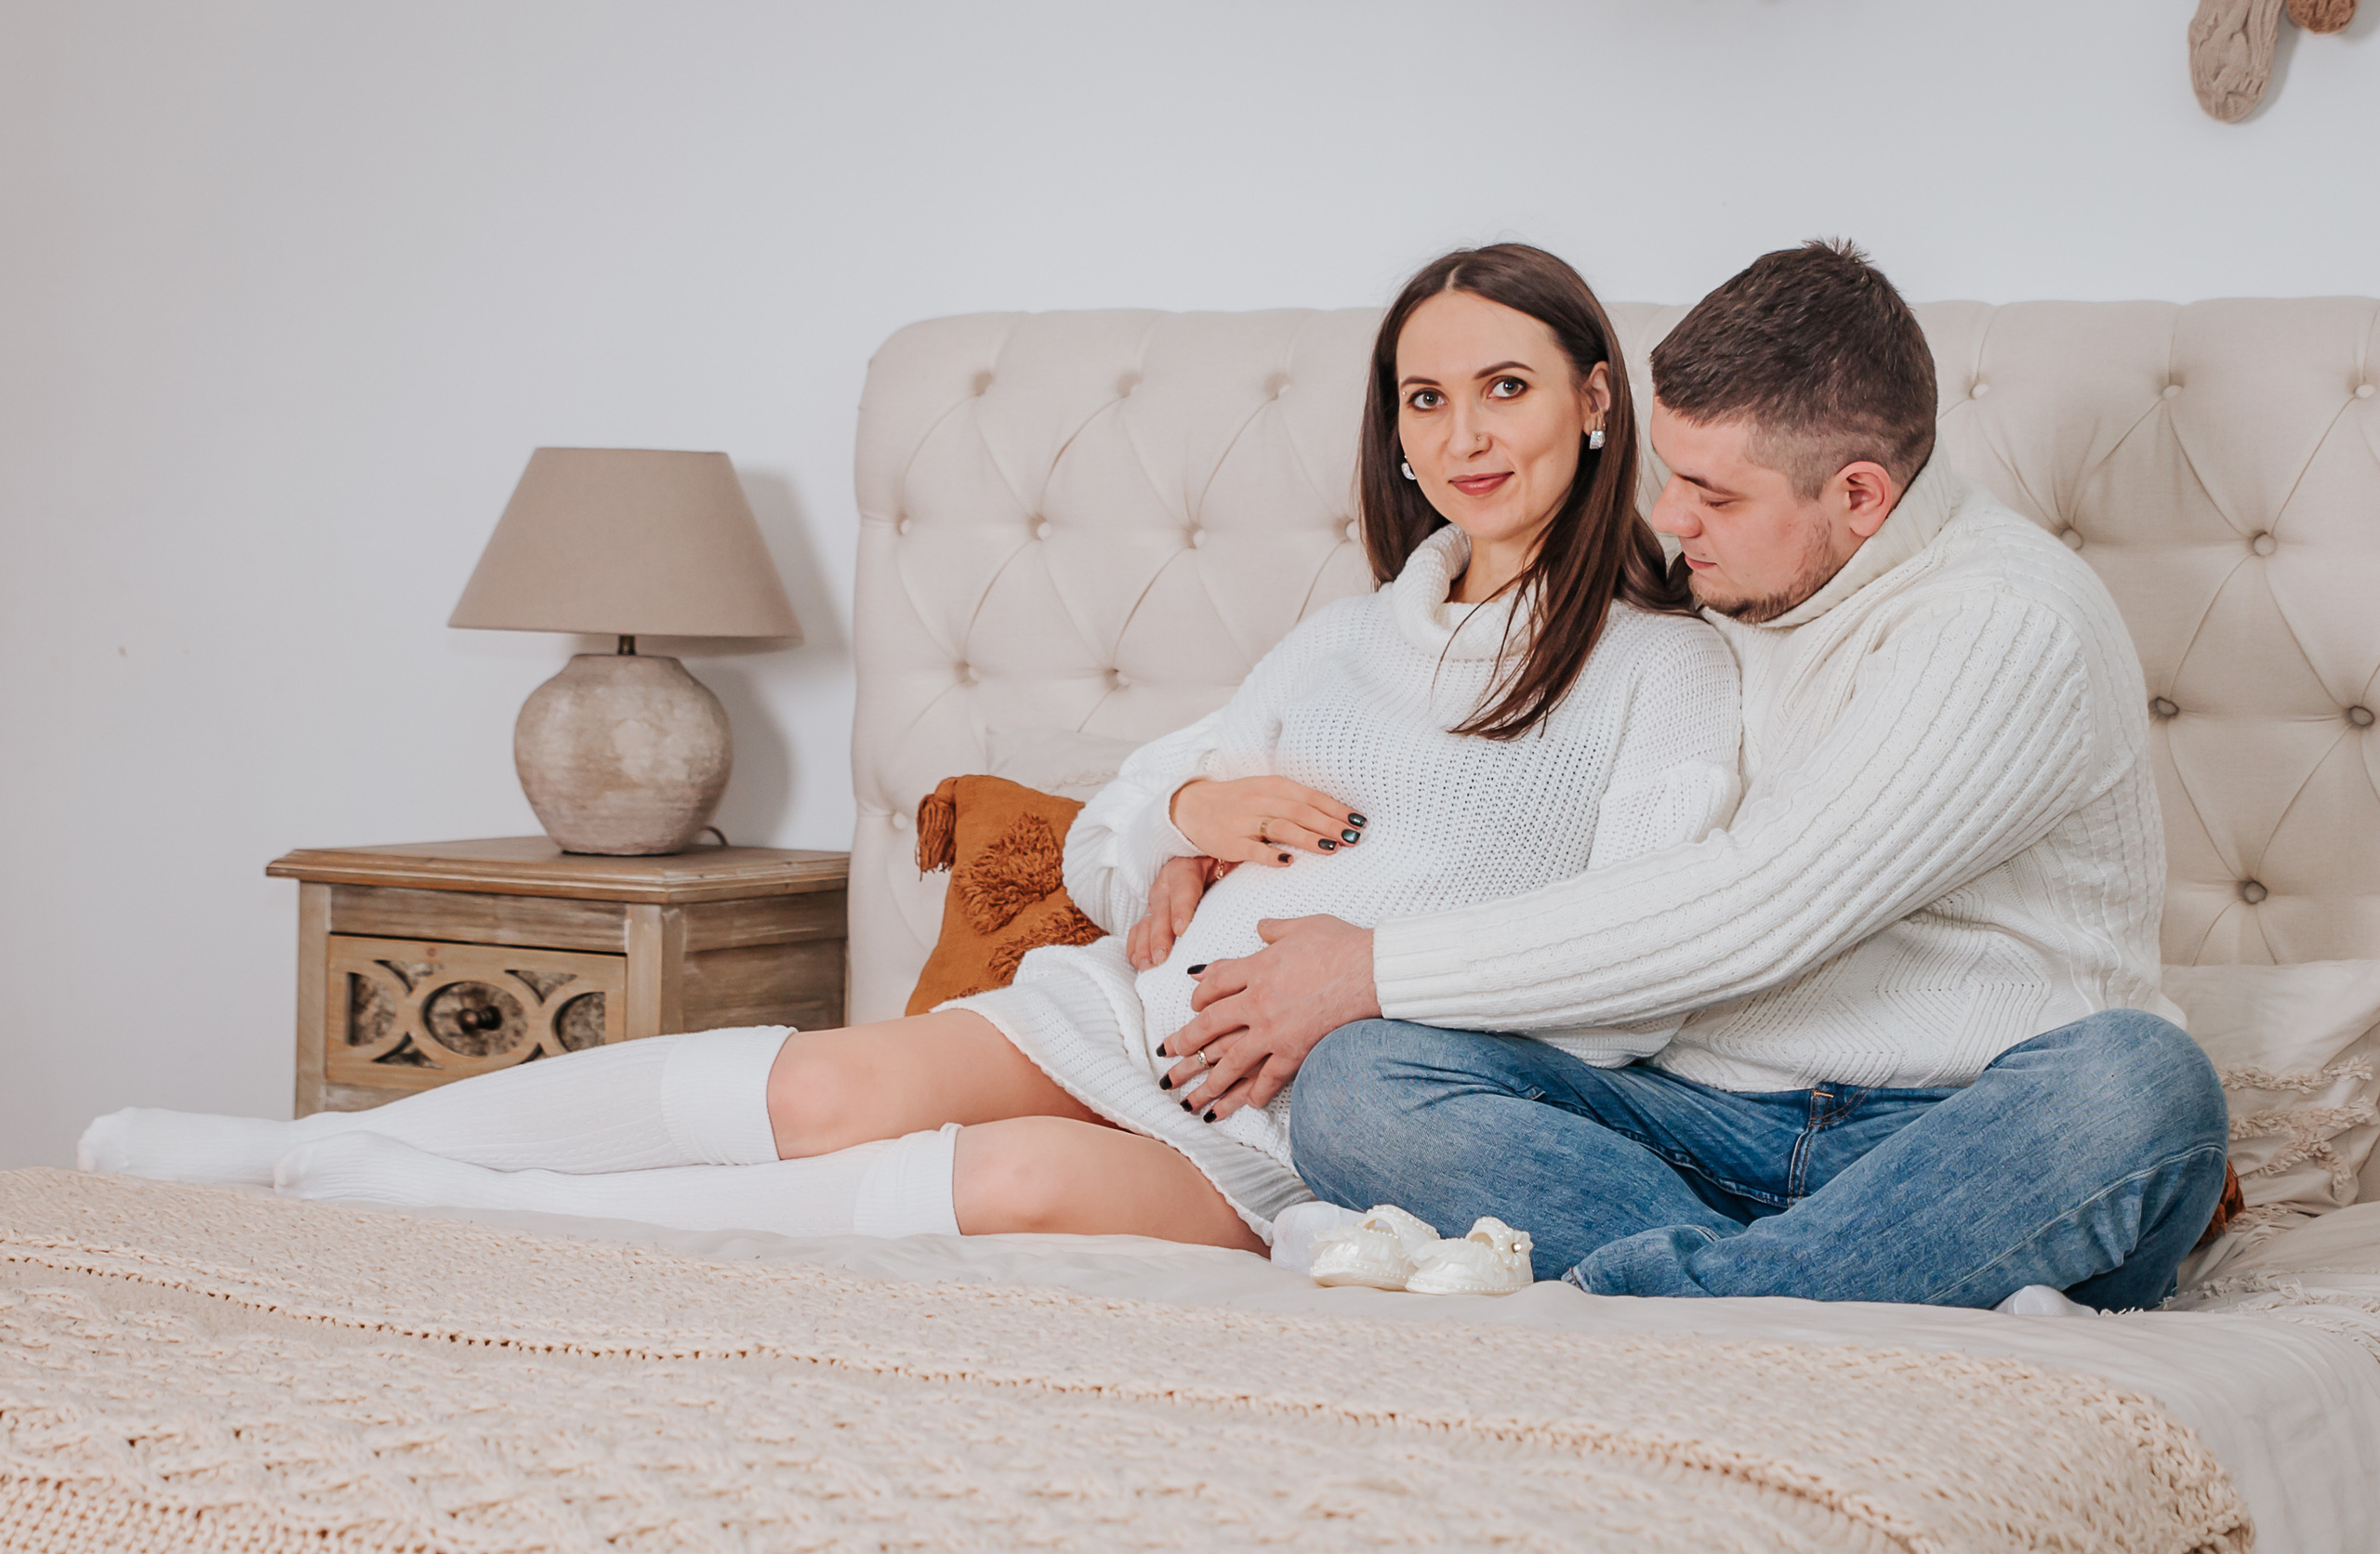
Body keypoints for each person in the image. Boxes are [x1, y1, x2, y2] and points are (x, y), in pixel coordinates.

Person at [77, 244, 1743, 1256]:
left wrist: (1364, 976)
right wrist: (1183, 807)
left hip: (1326, 1123)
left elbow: (1650, 968)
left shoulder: (1667, 671)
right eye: (1423, 399)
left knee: (1007, 1181)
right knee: (832, 1078)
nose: (1461, 436)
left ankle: (490, 1213)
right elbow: (1096, 843)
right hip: (1130, 1014)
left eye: (1504, 389)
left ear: (1599, 401)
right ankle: (295, 1151)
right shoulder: (1341, 638)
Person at [1149, 240, 2229, 1310]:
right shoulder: (1731, 576)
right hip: (1691, 1118)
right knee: (1358, 1085)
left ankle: (1713, 1299)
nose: (1668, 520)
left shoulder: (2004, 626)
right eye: (1671, 477)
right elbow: (1379, 742)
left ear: (1859, 495)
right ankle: (1790, 1288)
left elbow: (1761, 900)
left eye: (1711, 494)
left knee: (2142, 1090)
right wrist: (1193, 818)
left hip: (1948, 1141)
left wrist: (1369, 967)